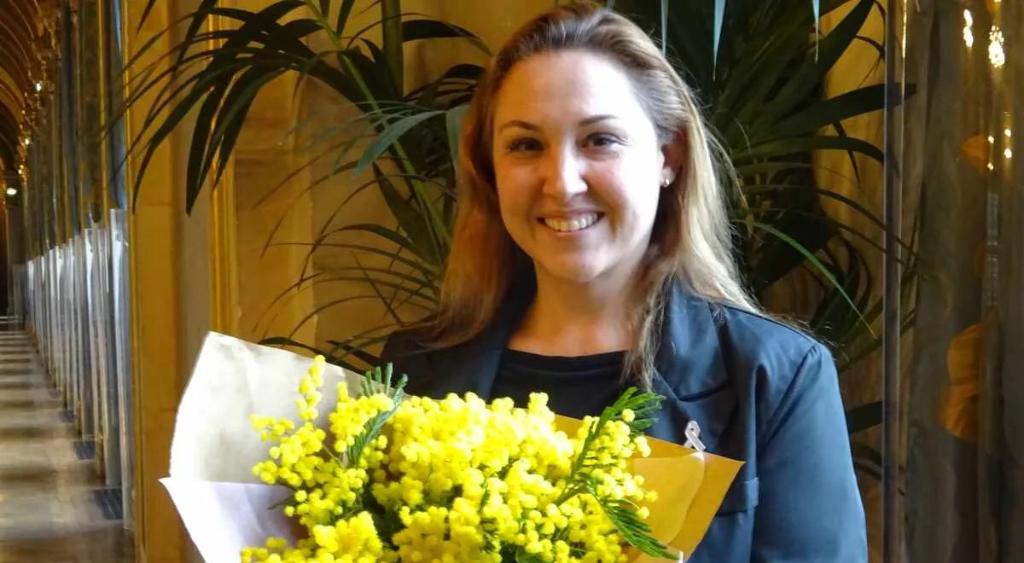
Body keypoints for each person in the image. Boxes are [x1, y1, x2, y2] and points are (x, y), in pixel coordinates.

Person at [382, 2, 867, 561]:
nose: (562, 183)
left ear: (668, 157)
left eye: (599, 140)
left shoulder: (773, 377)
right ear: (490, 171)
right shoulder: (413, 374)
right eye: (526, 145)